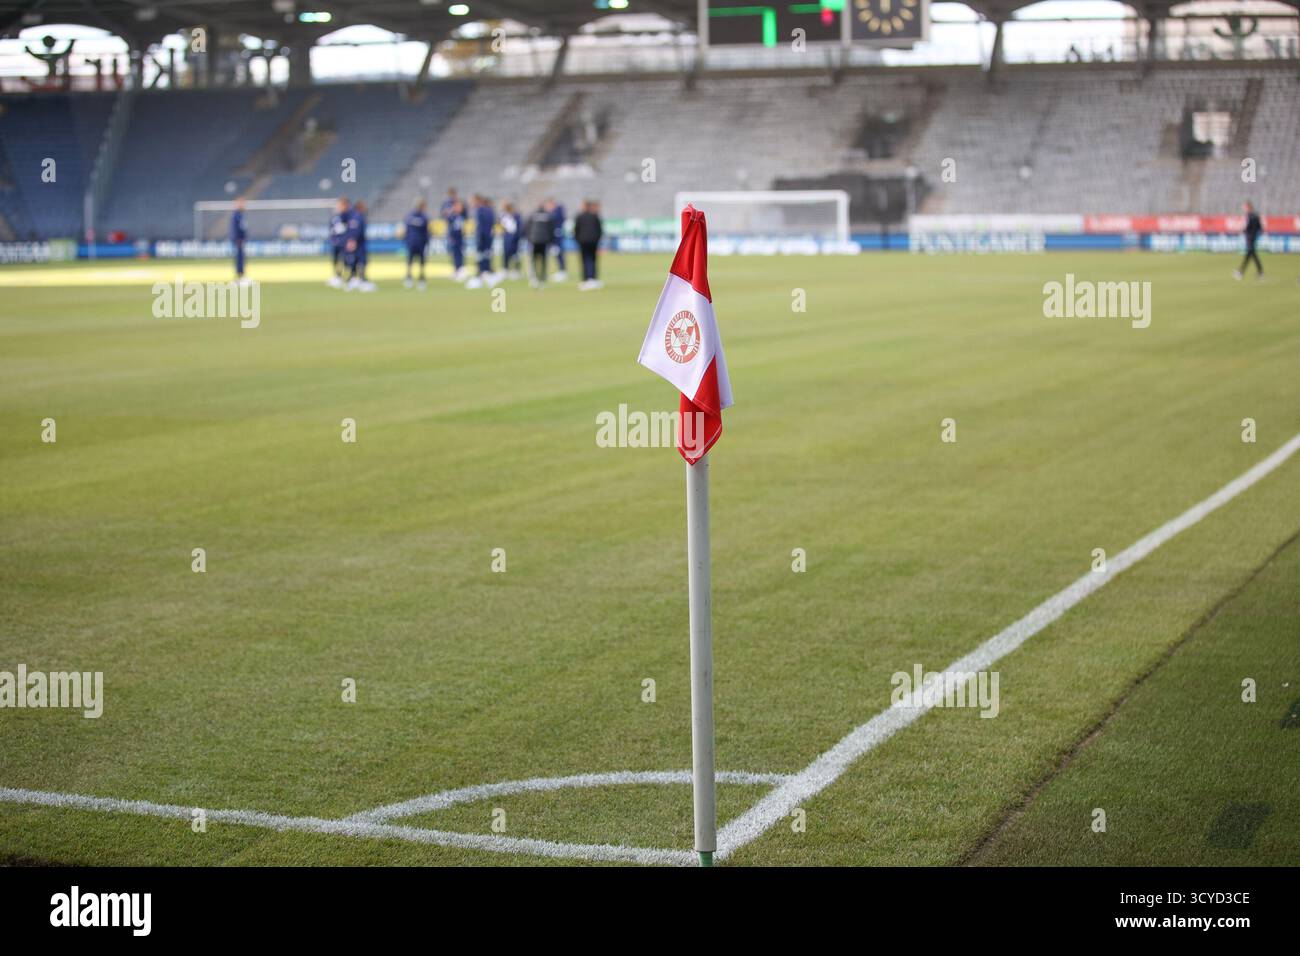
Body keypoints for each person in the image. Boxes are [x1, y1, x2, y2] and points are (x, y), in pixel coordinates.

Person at [466, 194, 498, 289]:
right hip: (488, 238)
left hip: (482, 238)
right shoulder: (489, 210)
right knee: (486, 258)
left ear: (477, 200)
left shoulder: (480, 211)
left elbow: (481, 228)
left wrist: (479, 238)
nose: (471, 204)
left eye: (472, 201)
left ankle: (479, 280)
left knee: (480, 259)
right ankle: (487, 278)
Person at [344, 200, 374, 292]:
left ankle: (354, 280)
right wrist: (353, 240)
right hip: (359, 244)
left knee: (354, 261)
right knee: (361, 261)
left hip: (356, 242)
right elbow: (355, 230)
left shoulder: (353, 216)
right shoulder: (358, 217)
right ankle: (361, 281)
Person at [574, 200, 603, 291]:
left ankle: (586, 279)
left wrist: (578, 239)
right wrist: (597, 239)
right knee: (592, 260)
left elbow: (576, 230)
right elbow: (599, 230)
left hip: (583, 241)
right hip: (593, 242)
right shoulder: (595, 216)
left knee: (584, 260)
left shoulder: (579, 216)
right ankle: (592, 278)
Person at [526, 202, 555, 288]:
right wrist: (551, 241)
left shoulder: (532, 215)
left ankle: (533, 279)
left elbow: (527, 228)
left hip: (533, 241)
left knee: (532, 261)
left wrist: (529, 238)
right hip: (544, 241)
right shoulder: (548, 215)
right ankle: (542, 279)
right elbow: (551, 229)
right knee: (544, 261)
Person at [403, 199, 430, 289]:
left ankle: (410, 278)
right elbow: (426, 232)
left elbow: (406, 231)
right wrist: (427, 242)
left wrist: (406, 240)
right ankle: (419, 279)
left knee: (411, 261)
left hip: (412, 242)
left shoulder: (409, 216)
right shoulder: (423, 217)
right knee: (420, 262)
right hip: (419, 243)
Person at [1234, 201, 1264, 280]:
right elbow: (1260, 228)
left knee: (1250, 254)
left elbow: (1247, 227)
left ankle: (1241, 272)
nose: (1244, 209)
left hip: (1250, 237)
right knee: (1252, 254)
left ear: (1248, 207)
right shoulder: (1256, 216)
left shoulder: (1249, 216)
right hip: (1254, 237)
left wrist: (1241, 230)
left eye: (1244, 207)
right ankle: (1259, 272)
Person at [327, 196, 349, 288]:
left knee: (344, 260)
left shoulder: (347, 216)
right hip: (336, 242)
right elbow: (332, 228)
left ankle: (344, 276)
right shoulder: (335, 217)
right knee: (335, 260)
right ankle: (337, 275)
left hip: (343, 242)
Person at [499, 201, 522, 279]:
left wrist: (517, 236)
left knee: (515, 254)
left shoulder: (516, 215)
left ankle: (516, 270)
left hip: (514, 237)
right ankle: (505, 269)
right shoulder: (504, 215)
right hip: (507, 236)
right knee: (506, 254)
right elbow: (503, 225)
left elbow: (518, 227)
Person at [446, 198, 466, 280]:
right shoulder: (454, 216)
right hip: (454, 237)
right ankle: (457, 270)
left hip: (458, 238)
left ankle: (460, 270)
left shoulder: (460, 216)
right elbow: (450, 225)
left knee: (459, 254)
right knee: (454, 254)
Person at [230, 197, 248, 282]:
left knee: (242, 258)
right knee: (239, 258)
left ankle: (241, 275)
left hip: (241, 240)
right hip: (238, 240)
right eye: (242, 204)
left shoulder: (240, 215)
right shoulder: (236, 215)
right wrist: (237, 239)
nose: (244, 205)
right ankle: (239, 276)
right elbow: (235, 228)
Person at [550, 198, 568, 281]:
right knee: (557, 254)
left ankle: (562, 271)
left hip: (557, 237)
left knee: (559, 253)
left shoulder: (557, 212)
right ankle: (561, 270)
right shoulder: (556, 212)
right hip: (555, 237)